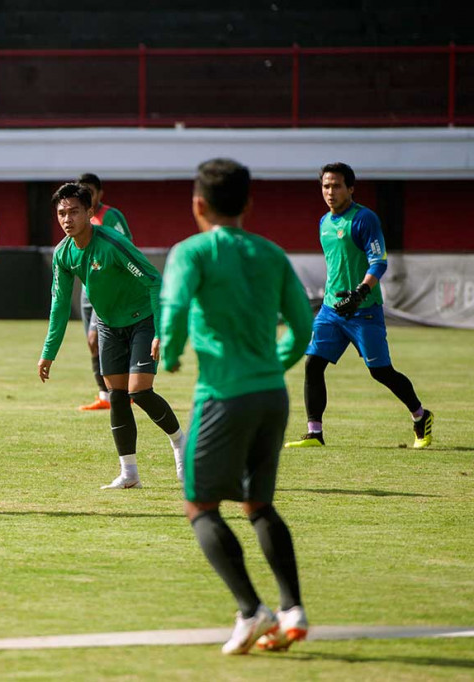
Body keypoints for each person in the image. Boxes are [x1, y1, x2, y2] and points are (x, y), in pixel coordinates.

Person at [159, 158, 313, 654]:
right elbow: (303, 328)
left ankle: (252, 611)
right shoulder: (272, 253)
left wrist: (174, 349)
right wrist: (275, 363)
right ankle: (293, 609)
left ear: (198, 205)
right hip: (273, 395)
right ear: (248, 203)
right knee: (258, 503)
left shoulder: (192, 251)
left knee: (199, 505)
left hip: (224, 396)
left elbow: (176, 306)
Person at [38, 183, 185, 488]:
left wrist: (159, 332)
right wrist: (48, 352)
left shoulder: (111, 244)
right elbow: (60, 305)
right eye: (61, 213)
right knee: (117, 396)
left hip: (142, 320)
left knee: (139, 391)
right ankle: (129, 473)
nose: (67, 219)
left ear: (90, 213)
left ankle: (181, 443)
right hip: (107, 325)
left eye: (74, 212)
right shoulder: (63, 254)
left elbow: (154, 281)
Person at [284, 163, 433, 449]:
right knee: (313, 364)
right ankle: (315, 433)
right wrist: (337, 297)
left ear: (351, 188)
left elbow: (379, 262)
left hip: (364, 311)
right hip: (331, 310)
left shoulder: (365, 219)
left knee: (381, 372)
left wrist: (360, 292)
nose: (330, 192)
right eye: (326, 186)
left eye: (336, 185)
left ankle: (420, 415)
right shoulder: (324, 223)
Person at [74, 173, 134, 412]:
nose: (87, 195)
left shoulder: (110, 216)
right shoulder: (79, 216)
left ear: (100, 193)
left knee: (95, 338)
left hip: (108, 288)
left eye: (90, 190)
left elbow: (126, 245)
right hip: (88, 288)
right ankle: (105, 396)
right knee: (92, 344)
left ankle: (122, 391)